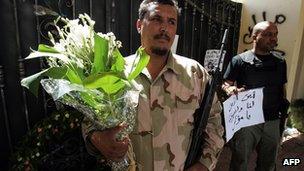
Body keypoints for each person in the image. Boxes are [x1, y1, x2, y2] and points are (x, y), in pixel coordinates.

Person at [82, 0, 224, 170]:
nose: (164, 28)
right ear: (139, 25)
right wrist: (96, 138)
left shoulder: (196, 74)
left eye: (171, 22)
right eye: (157, 19)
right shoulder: (115, 74)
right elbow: (89, 120)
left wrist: (204, 164)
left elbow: (214, 121)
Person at [222, 21, 287, 171]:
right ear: (254, 37)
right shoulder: (239, 60)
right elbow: (225, 84)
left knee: (268, 163)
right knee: (240, 161)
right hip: (247, 121)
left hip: (272, 120)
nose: (273, 38)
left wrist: (282, 115)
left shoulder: (280, 62)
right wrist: (231, 89)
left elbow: (281, 89)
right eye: (268, 34)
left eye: (275, 34)